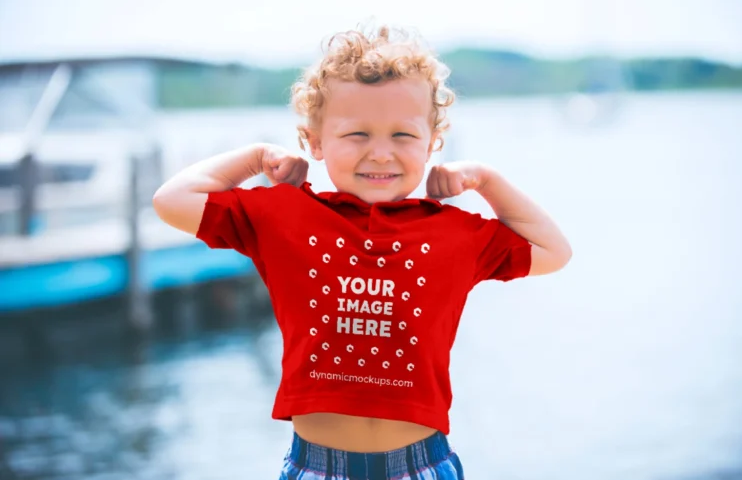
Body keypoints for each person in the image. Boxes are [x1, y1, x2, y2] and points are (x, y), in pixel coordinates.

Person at [153, 24, 572, 480]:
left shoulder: (455, 232)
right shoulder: (283, 216)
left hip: (421, 464)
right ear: (314, 142)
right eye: (356, 134)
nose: (380, 153)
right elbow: (171, 201)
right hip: (317, 466)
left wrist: (487, 181)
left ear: (432, 142)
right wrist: (254, 159)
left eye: (402, 136)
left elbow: (553, 250)